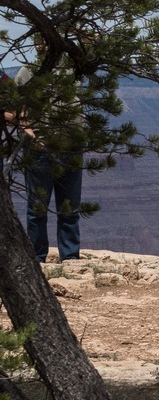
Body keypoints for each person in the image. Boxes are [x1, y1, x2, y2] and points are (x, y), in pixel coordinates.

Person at [15, 53, 86, 263]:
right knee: (37, 208)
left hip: (71, 147)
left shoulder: (74, 66)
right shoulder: (29, 70)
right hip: (40, 150)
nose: (42, 42)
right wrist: (31, 136)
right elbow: (16, 105)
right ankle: (37, 258)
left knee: (70, 208)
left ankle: (70, 257)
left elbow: (92, 44)